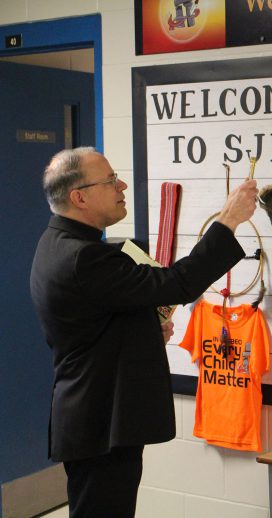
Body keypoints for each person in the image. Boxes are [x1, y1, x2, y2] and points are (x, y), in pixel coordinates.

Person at [29, 147, 258, 518]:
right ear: (79, 197)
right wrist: (228, 220)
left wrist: (144, 331)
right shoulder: (85, 258)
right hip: (100, 420)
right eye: (109, 180)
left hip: (93, 417)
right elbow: (177, 283)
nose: (121, 185)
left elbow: (91, 324)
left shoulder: (55, 243)